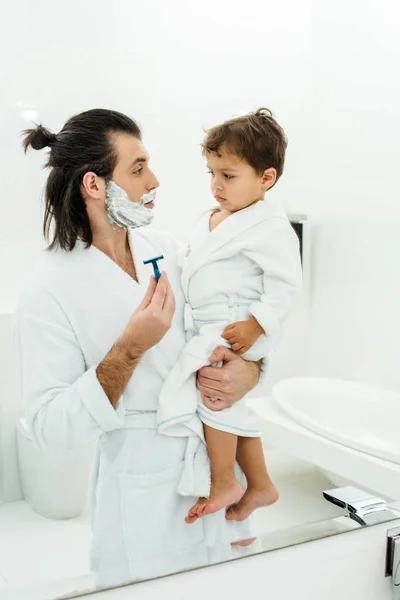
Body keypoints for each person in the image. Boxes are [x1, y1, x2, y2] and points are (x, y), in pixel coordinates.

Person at [16, 109, 268, 588]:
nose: (154, 180)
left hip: (217, 466)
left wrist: (252, 373)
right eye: (137, 169)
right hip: (144, 489)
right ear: (94, 185)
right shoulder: (48, 288)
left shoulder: (169, 248)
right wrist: (128, 351)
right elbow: (49, 432)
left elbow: (229, 328)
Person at [157, 108, 302, 523]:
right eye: (212, 173)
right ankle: (260, 484)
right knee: (228, 402)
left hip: (238, 323)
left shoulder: (271, 226)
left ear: (266, 178)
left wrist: (258, 324)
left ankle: (225, 481)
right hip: (210, 322)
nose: (216, 185)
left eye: (228, 175)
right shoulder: (213, 219)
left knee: (215, 397)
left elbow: (286, 284)